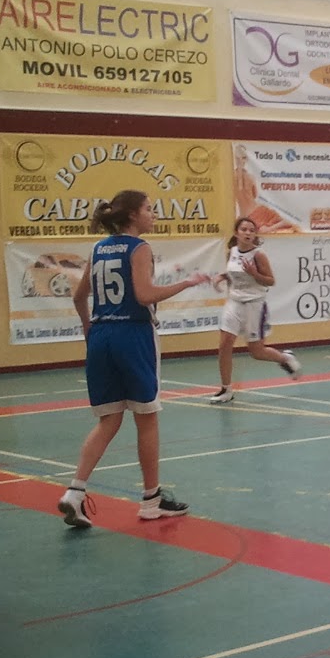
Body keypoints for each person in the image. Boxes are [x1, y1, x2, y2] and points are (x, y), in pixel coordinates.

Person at [57, 190, 211, 528]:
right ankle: (151, 501)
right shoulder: (139, 248)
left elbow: (79, 296)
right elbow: (144, 295)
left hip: (101, 335)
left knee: (108, 420)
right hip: (133, 334)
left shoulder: (98, 248)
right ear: (132, 215)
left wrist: (88, 329)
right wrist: (187, 283)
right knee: (147, 418)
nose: (153, 214)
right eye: (148, 209)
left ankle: (75, 491)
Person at [209, 216, 299, 404]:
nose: (248, 233)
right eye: (244, 229)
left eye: (251, 230)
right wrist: (222, 277)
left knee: (256, 352)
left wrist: (254, 273)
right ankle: (226, 389)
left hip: (254, 304)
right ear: (236, 233)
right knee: (225, 344)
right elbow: (234, 273)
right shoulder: (232, 252)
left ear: (255, 234)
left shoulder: (258, 255)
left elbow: (270, 281)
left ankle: (285, 358)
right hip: (234, 302)